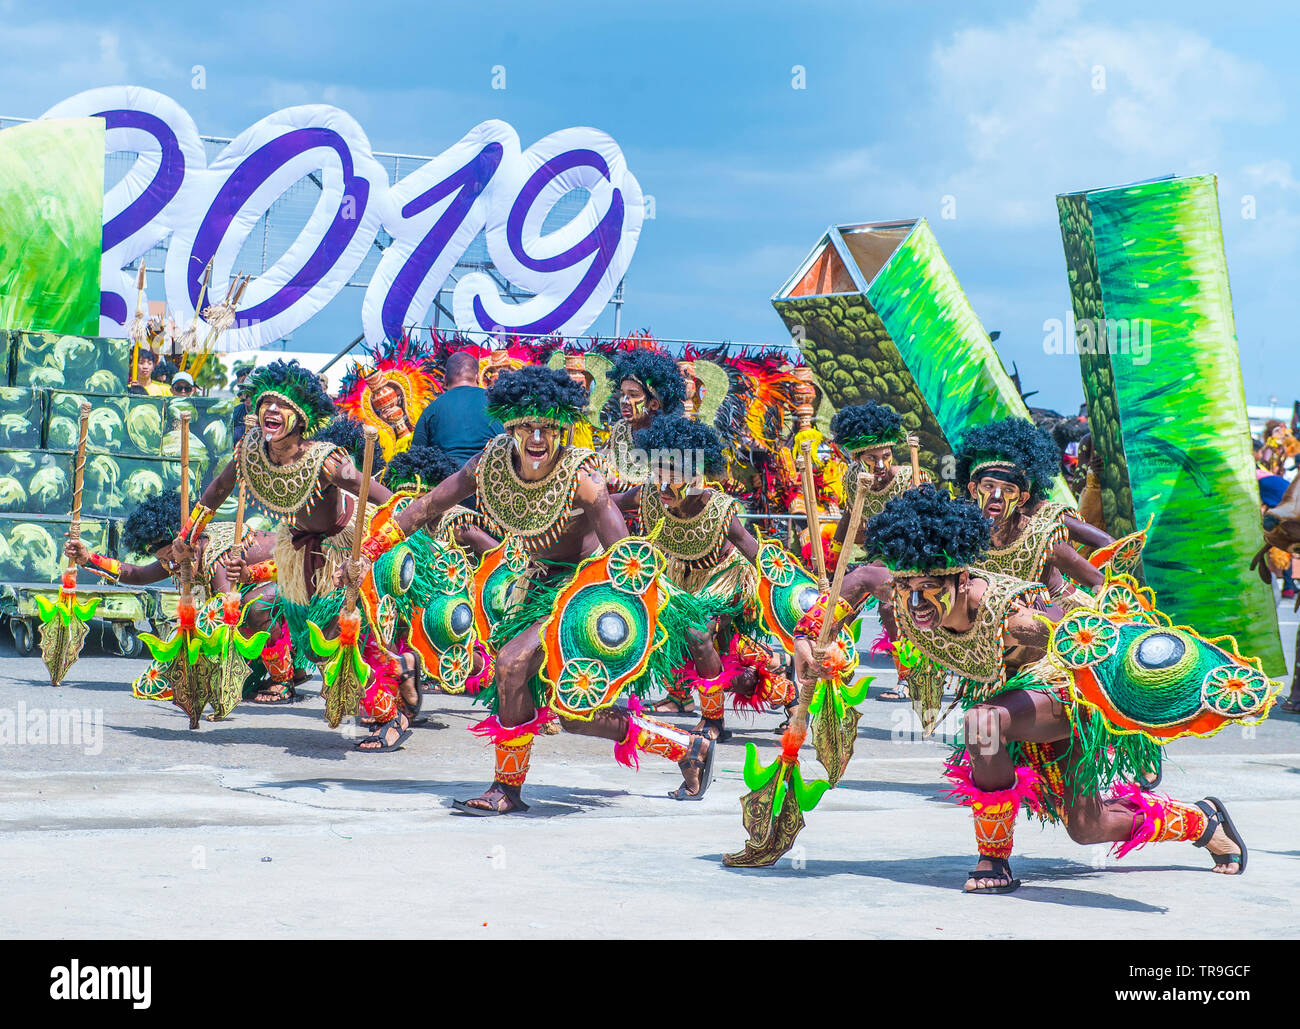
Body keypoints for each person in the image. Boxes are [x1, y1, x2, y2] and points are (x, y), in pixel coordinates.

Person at [796, 487, 1261, 894]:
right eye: (908, 588)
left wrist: (1178, 686)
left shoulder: (1012, 615)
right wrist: (806, 641)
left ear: (961, 580)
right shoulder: (901, 591)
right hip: (1008, 696)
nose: (915, 602)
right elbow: (856, 579)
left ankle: (993, 857)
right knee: (1087, 826)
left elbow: (1098, 645)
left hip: (1063, 690)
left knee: (983, 722)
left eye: (929, 588)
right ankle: (1202, 820)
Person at [350, 366, 717, 814]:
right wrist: (369, 551)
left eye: (548, 428)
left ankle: (507, 790)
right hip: (531, 586)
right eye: (527, 427)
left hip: (587, 587)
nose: (537, 438)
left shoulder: (582, 478)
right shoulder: (489, 463)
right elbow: (426, 507)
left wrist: (620, 617)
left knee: (511, 664)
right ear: (511, 426)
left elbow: (624, 555)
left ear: (563, 427)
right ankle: (685, 746)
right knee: (571, 715)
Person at [190, 361, 413, 749]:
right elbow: (215, 493)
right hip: (295, 554)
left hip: (342, 553)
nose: (272, 411)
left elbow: (386, 501)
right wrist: (189, 534)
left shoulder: (328, 462)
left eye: (282, 405)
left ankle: (390, 715)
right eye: (266, 404)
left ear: (301, 417)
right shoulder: (250, 454)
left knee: (338, 637)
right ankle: (403, 669)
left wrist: (374, 550)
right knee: (307, 641)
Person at [613, 415, 770, 747]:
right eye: (657, 474)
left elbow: (755, 554)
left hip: (723, 579)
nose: (661, 485)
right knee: (722, 657)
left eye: (672, 476)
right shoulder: (649, 497)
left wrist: (793, 588)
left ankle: (713, 719)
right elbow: (601, 503)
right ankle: (772, 674)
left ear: (695, 477)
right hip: (678, 577)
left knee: (699, 635)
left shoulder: (718, 509)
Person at [65, 489, 279, 703]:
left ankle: (285, 678)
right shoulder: (179, 556)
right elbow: (138, 575)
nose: (171, 566)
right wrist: (87, 558)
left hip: (296, 579)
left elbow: (227, 612)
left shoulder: (216, 556)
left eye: (170, 558)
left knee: (249, 608)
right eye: (164, 560)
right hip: (263, 591)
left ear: (190, 544)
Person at [956, 417, 1113, 606]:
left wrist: (1116, 606)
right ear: (974, 490)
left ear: (1022, 497)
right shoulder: (960, 535)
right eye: (988, 486)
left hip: (1065, 620)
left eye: (1008, 489)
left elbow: (1101, 576)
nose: (996, 496)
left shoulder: (1040, 535)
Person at [601, 349, 687, 489]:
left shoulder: (672, 438)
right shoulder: (619, 430)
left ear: (653, 404)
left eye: (633, 395)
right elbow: (601, 467)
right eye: (622, 394)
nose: (625, 401)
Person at [410, 351, 503, 466]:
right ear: (477, 377)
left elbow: (415, 458)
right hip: (493, 475)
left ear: (444, 380)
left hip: (447, 478)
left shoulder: (431, 409)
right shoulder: (498, 403)